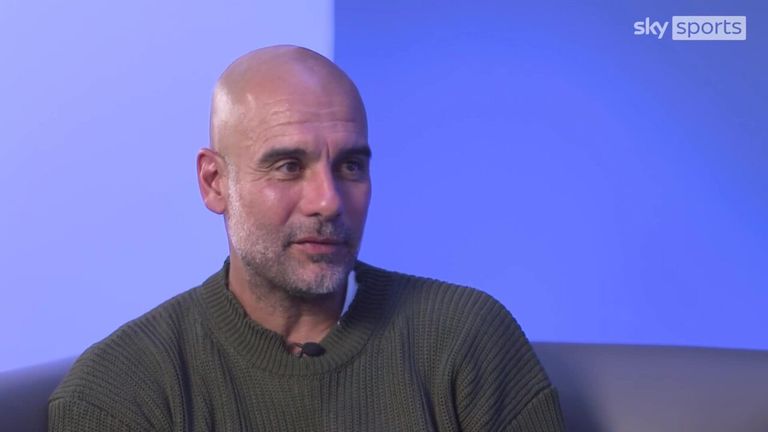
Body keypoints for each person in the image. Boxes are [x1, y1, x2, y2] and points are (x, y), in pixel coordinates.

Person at [49, 45, 565, 431]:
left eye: (351, 166)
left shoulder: (464, 337)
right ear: (214, 183)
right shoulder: (122, 389)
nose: (328, 201)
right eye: (289, 166)